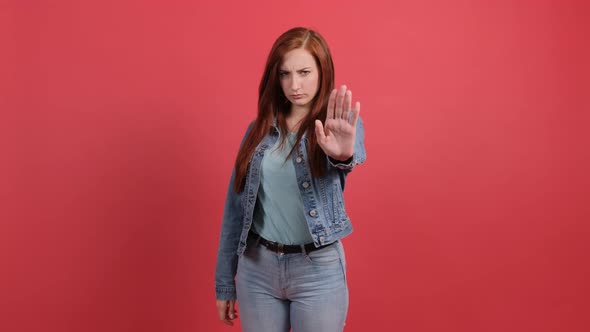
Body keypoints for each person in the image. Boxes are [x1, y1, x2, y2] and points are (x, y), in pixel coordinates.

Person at [214, 27, 366, 332]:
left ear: (323, 71)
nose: (295, 84)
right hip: (257, 269)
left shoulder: (339, 126)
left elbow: (349, 155)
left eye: (304, 72)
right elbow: (235, 210)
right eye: (285, 74)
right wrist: (224, 283)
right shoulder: (258, 131)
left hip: (317, 270)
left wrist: (341, 155)